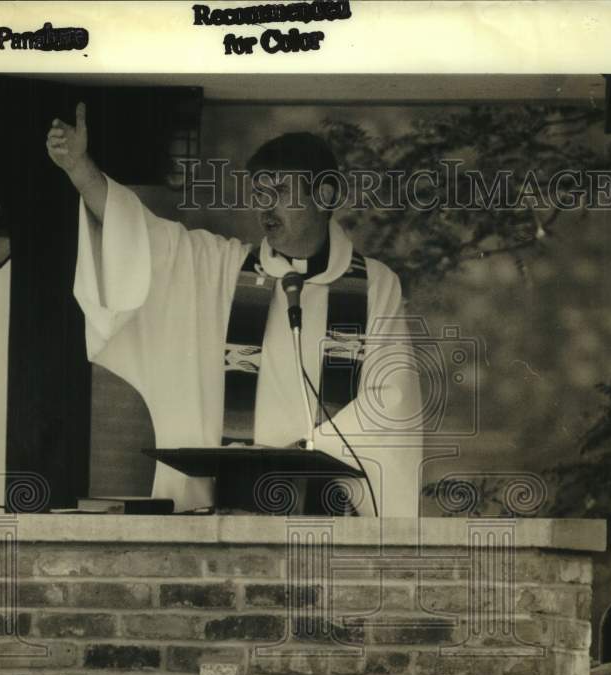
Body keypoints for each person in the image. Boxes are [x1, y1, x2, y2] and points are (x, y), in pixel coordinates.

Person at [46, 102, 424, 515]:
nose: (265, 206)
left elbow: (392, 398)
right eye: (260, 193)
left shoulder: (371, 285)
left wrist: (311, 449)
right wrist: (80, 171)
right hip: (233, 503)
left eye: (279, 192)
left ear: (324, 194)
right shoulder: (224, 271)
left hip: (327, 504)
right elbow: (144, 240)